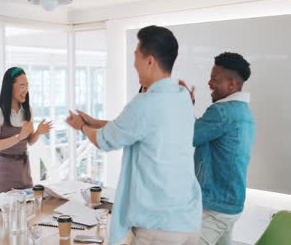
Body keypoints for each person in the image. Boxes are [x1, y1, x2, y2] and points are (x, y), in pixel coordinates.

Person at [66, 25, 202, 245]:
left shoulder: (145, 103)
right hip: (187, 219)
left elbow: (105, 140)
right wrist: (95, 121)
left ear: (149, 61)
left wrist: (82, 126)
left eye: (136, 56)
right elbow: (137, 130)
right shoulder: (182, 97)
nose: (133, 64)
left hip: (158, 226)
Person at [180, 52, 255, 245]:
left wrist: (184, 105)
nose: (209, 83)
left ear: (231, 84)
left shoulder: (221, 112)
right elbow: (201, 131)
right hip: (232, 203)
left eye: (214, 79)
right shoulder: (243, 112)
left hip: (215, 207)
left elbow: (189, 136)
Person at [0, 67, 53, 197]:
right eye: (22, 86)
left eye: (27, 86)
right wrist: (19, 136)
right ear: (9, 86)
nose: (25, 90)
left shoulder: (27, 110)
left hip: (23, 171)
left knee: (28, 210)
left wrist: (38, 132)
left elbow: (29, 141)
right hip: (3, 173)